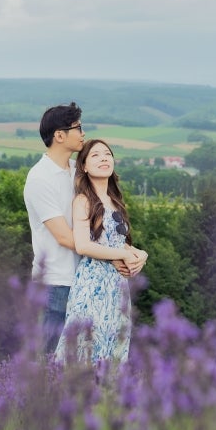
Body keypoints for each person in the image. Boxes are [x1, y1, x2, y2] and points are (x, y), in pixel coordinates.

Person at [23, 103, 142, 354]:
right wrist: (119, 256)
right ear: (59, 135)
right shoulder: (40, 178)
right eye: (78, 128)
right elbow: (67, 237)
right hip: (57, 282)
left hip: (87, 282)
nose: (83, 133)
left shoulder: (77, 172)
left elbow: (102, 228)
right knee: (52, 361)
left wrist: (131, 252)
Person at [56, 138, 144, 367]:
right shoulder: (83, 200)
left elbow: (118, 242)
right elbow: (83, 245)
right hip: (92, 285)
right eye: (95, 155)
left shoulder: (115, 201)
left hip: (117, 288)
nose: (104, 158)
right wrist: (123, 255)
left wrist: (140, 255)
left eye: (107, 153)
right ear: (83, 166)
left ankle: (107, 401)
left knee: (114, 350)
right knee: (86, 349)